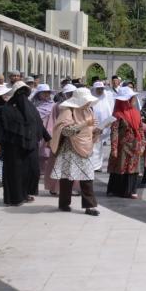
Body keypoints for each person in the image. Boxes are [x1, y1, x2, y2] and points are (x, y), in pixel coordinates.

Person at [0, 81, 50, 206]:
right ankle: (15, 198)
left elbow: (39, 124)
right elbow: (0, 126)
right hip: (13, 146)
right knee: (15, 172)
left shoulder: (31, 108)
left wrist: (48, 139)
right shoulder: (6, 109)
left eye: (25, 93)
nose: (22, 96)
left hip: (30, 145)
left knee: (32, 171)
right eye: (20, 93)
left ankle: (26, 193)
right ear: (15, 94)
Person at [50, 87, 100, 216]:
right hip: (70, 148)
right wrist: (84, 124)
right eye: (86, 101)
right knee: (67, 177)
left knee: (87, 177)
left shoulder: (88, 110)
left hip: (85, 147)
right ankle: (64, 204)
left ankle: (90, 206)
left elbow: (91, 128)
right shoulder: (68, 110)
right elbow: (65, 131)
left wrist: (97, 131)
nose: (89, 103)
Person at [107, 87, 144, 198]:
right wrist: (114, 148)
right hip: (122, 146)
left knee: (133, 167)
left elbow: (140, 129)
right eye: (132, 98)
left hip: (135, 145)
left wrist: (142, 143)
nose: (134, 99)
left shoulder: (136, 113)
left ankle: (131, 190)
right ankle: (119, 190)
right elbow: (114, 132)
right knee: (121, 167)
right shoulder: (117, 114)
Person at [32, 84, 58, 194]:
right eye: (44, 92)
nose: (46, 94)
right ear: (39, 93)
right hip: (36, 131)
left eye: (48, 92)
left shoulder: (53, 105)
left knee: (47, 154)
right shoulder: (33, 105)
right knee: (37, 153)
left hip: (49, 131)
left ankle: (47, 176)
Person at [89, 81, 114, 172]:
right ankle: (92, 165)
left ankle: (98, 165)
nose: (100, 91)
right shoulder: (91, 100)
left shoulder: (106, 99)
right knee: (93, 147)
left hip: (103, 127)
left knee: (99, 147)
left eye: (101, 89)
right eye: (98, 89)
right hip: (92, 127)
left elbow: (109, 112)